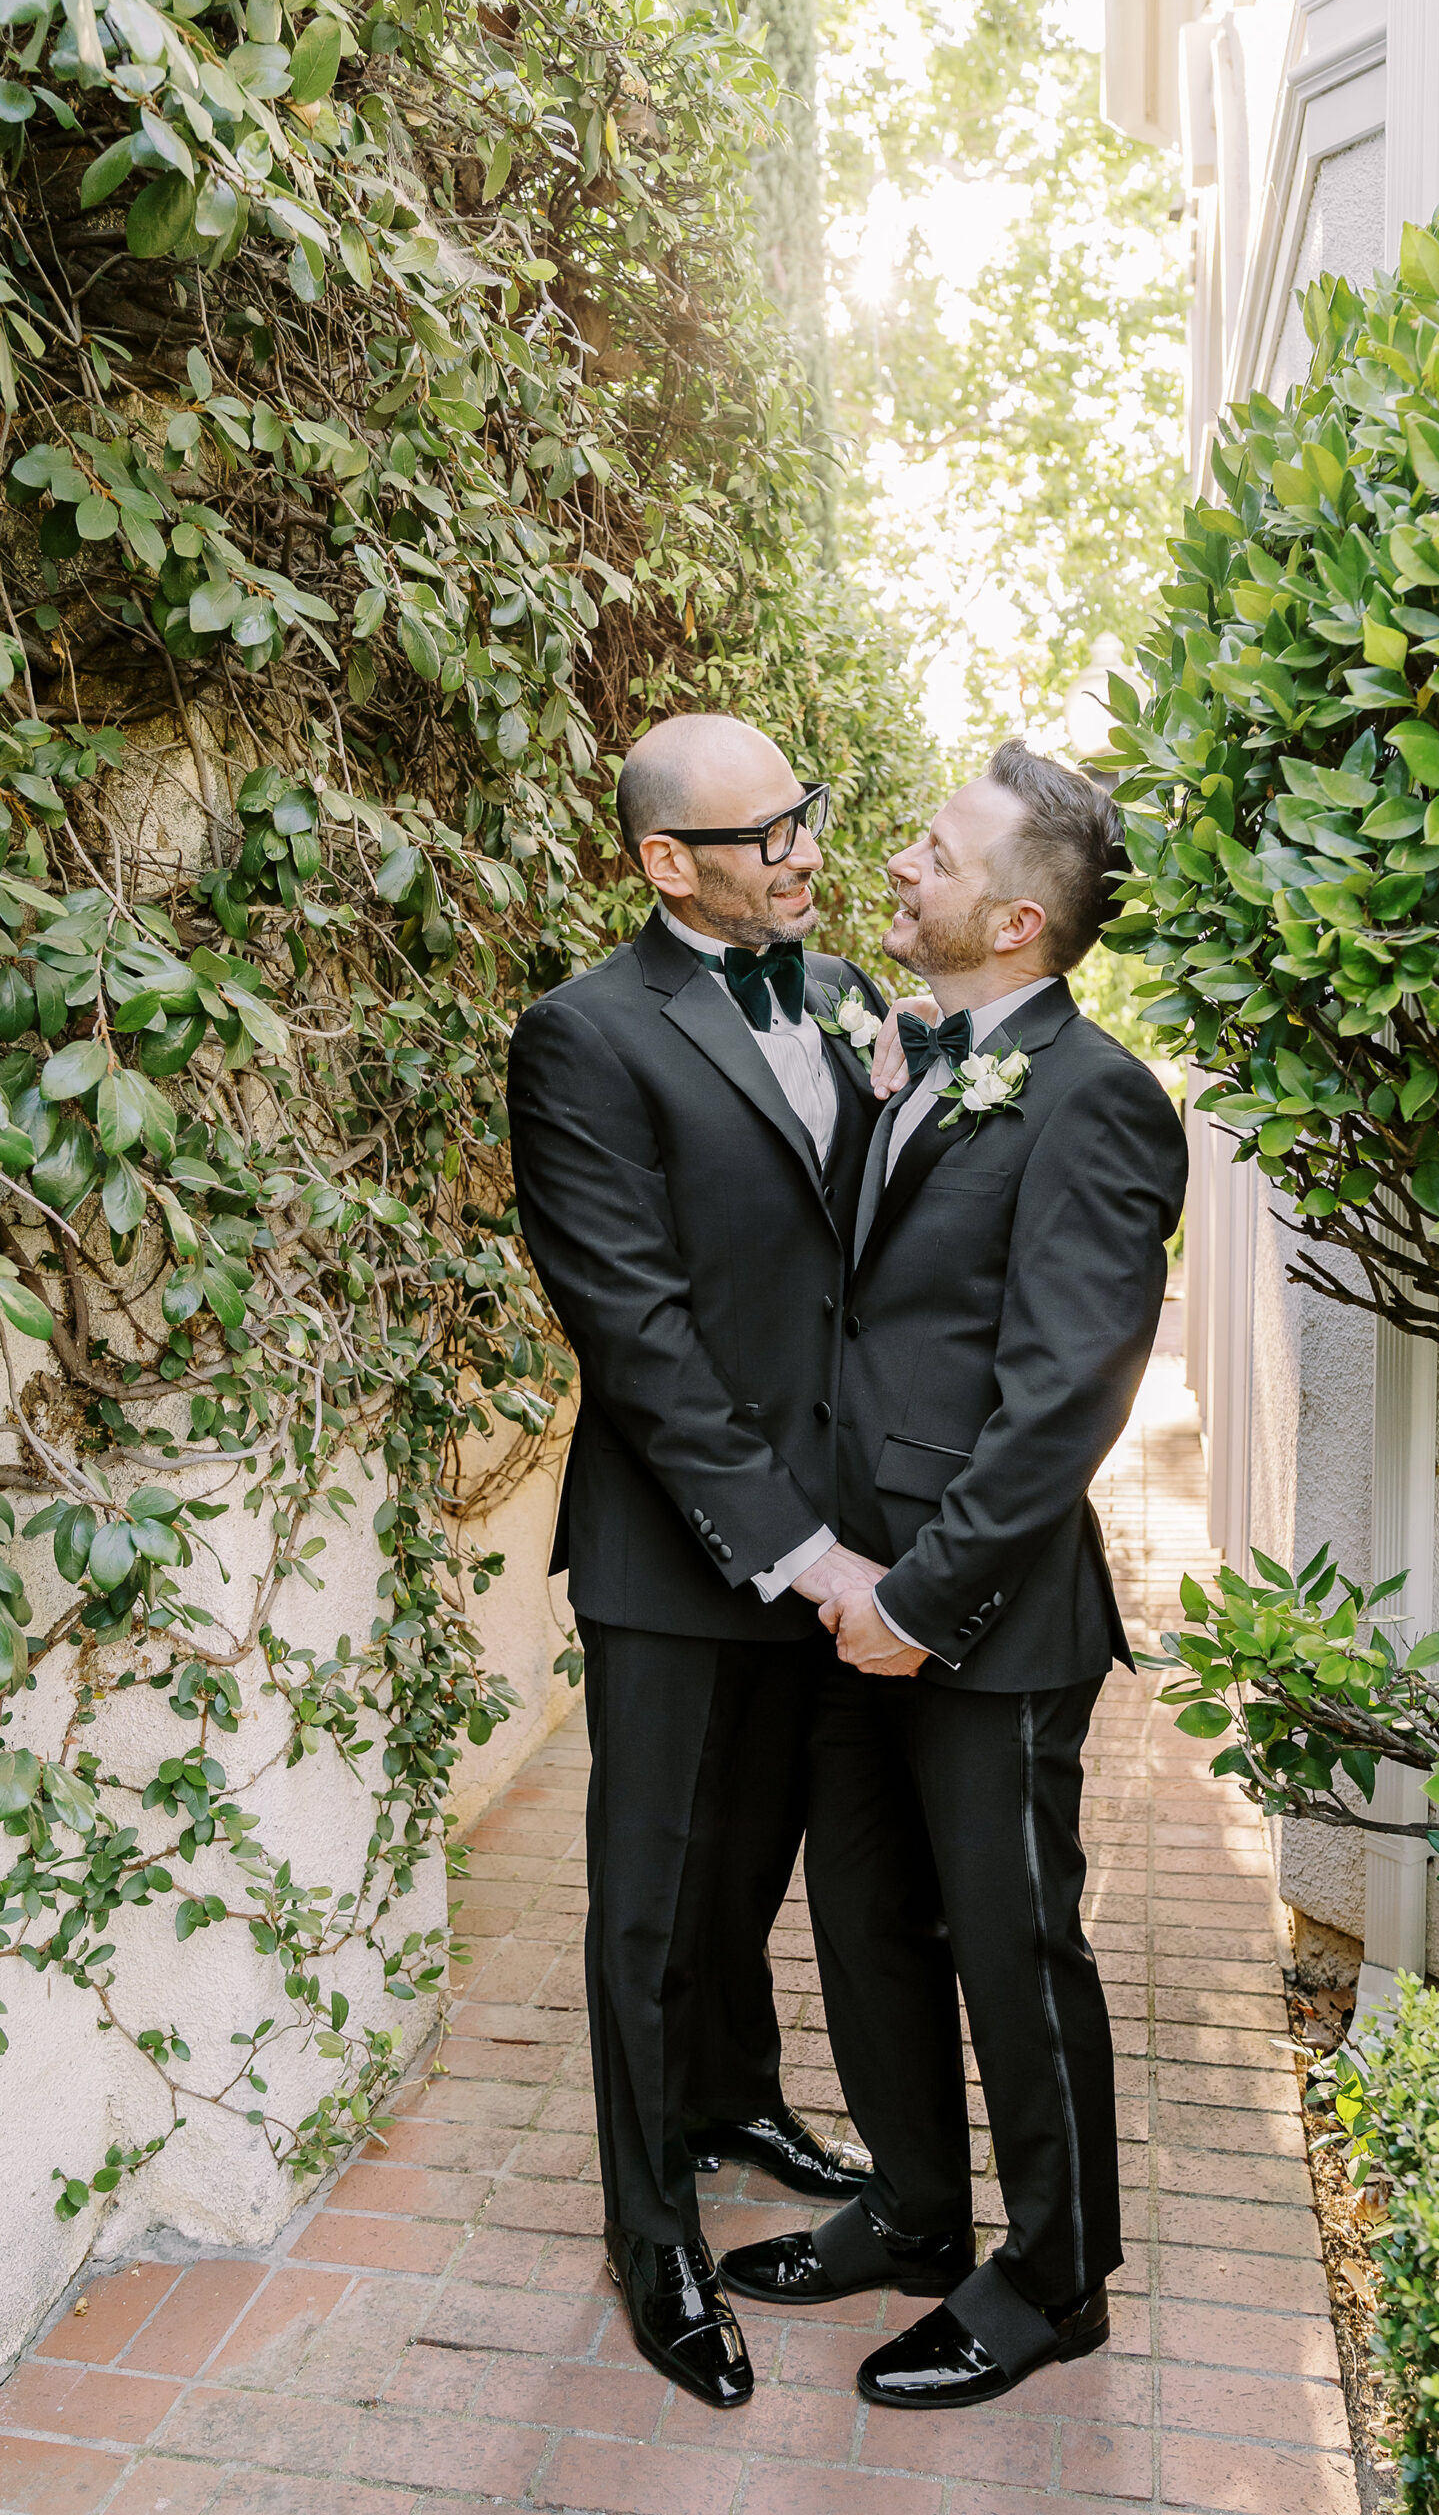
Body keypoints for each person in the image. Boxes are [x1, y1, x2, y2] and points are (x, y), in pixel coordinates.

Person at [720, 739, 1188, 2408]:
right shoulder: (912, 1054)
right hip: (842, 1596)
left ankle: (1056, 2278)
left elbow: (1066, 1395)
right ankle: (917, 2215)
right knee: (860, 1923)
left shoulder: (1094, 1097)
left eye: (930, 850)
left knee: (1016, 1951)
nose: (894, 866)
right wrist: (838, 1582)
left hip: (977, 1622)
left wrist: (920, 1602)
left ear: (1014, 921)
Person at [507, 713, 899, 2409]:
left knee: (759, 1859)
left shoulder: (841, 993)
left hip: (845, 1539)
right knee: (648, 1896)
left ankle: (736, 2092)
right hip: (681, 1554)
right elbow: (638, 1334)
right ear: (671, 863)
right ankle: (650, 2224)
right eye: (773, 833)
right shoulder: (582, 1037)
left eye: (812, 814)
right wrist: (798, 1552)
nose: (809, 850)